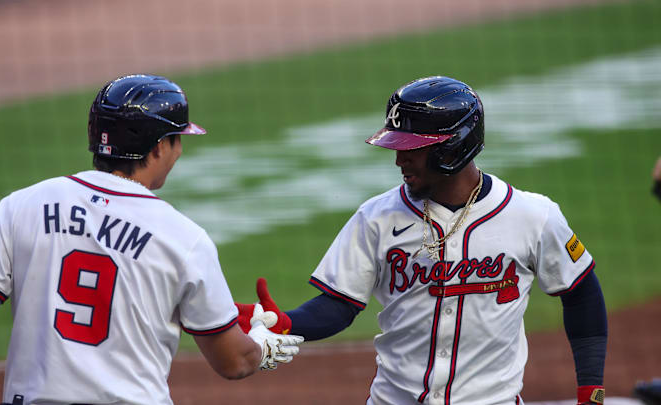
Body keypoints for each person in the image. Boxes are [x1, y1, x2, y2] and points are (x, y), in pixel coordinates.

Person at [237, 76, 607, 404]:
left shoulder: (532, 215)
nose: (399, 159)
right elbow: (339, 304)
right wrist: (286, 321)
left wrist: (590, 394)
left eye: (412, 147)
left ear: (453, 146)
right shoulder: (376, 217)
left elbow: (581, 293)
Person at [0, 74, 303, 405]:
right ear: (160, 146)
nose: (179, 152)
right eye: (179, 140)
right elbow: (234, 362)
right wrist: (259, 345)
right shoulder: (183, 238)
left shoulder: (20, 206)